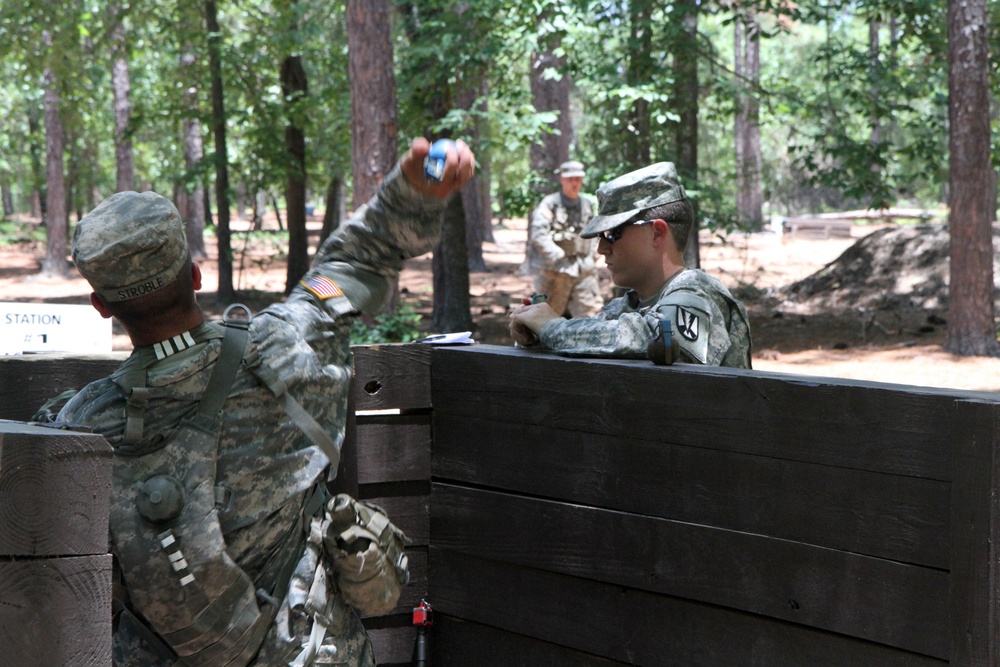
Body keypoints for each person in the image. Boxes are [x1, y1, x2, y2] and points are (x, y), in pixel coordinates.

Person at [51, 138, 476, 666]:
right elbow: (355, 263)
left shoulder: (84, 426)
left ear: (100, 306)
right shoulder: (290, 344)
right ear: (196, 275)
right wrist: (413, 191)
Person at [510, 161, 752, 368]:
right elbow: (598, 339)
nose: (602, 248)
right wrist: (537, 335)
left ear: (657, 233)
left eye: (612, 234)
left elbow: (654, 336)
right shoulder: (628, 306)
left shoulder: (699, 294)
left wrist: (553, 328)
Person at [522, 160, 603, 317]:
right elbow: (538, 233)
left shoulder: (586, 204)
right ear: (562, 179)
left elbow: (595, 232)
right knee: (545, 318)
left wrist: (594, 255)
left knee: (591, 317)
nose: (575, 183)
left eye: (578, 179)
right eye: (570, 179)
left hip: (584, 270)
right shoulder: (550, 203)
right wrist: (555, 253)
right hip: (556, 272)